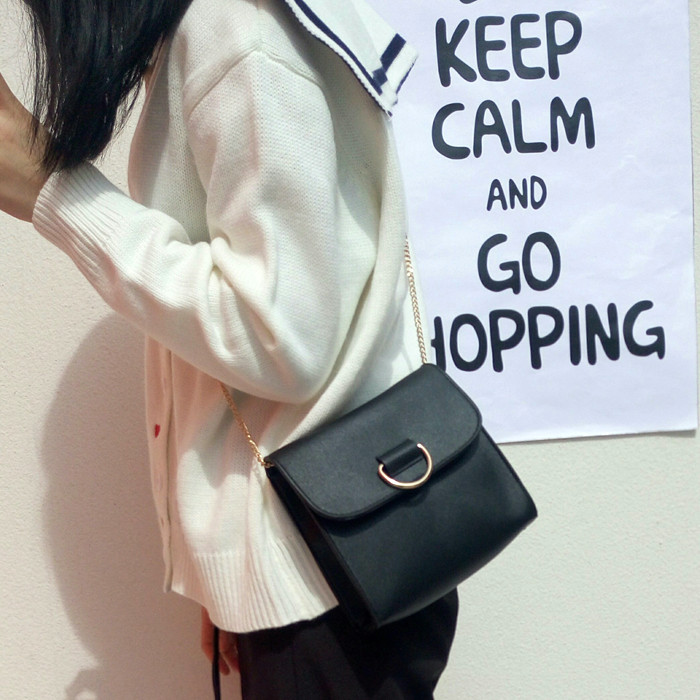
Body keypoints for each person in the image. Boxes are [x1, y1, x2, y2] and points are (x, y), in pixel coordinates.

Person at [0, 0, 458, 696]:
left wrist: (57, 193)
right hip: (338, 549)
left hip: (328, 585)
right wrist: (241, 561)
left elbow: (281, 340)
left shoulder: (231, 28)